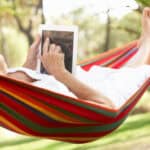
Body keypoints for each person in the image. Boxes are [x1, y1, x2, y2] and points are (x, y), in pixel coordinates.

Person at [0, 8, 150, 109]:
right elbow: (107, 105)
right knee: (131, 75)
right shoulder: (8, 95)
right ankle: (146, 44)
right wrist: (60, 73)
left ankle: (145, 45)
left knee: (124, 74)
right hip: (100, 94)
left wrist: (29, 65)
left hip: (89, 78)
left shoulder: (12, 82)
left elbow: (23, 88)